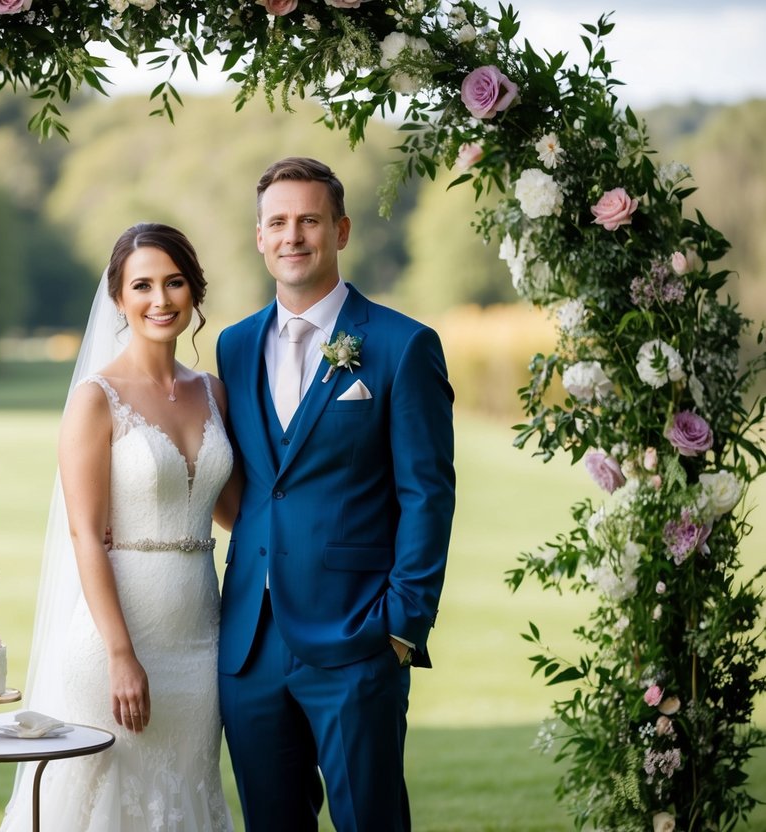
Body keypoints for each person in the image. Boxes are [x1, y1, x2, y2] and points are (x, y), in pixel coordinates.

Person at [215, 157, 455, 832]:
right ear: (259, 237)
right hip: (249, 645)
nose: (293, 236)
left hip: (358, 637)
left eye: (309, 220)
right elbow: (253, 486)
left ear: (340, 230)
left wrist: (402, 626)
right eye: (278, 223)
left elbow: (426, 493)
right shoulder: (232, 348)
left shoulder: (402, 346)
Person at [0, 222, 238, 832]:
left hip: (200, 643)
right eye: (143, 285)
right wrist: (121, 655)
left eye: (174, 282)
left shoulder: (213, 392)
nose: (161, 299)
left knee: (187, 797)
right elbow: (84, 534)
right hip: (117, 643)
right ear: (119, 299)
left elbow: (234, 510)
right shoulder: (95, 398)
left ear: (194, 291)